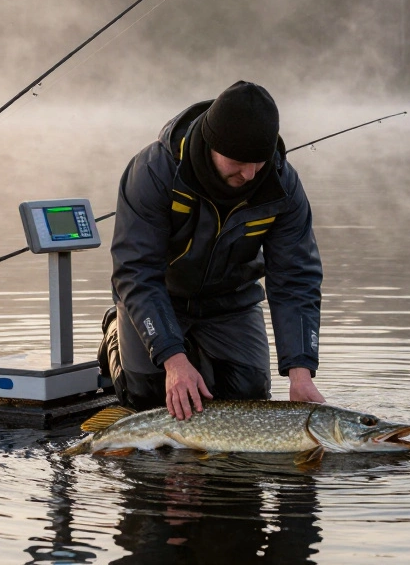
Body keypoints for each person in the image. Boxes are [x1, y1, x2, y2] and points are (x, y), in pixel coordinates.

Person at [103, 81, 324, 420]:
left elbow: (295, 277)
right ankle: (116, 332)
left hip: (230, 303)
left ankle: (197, 356)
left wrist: (300, 371)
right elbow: (136, 271)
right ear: (211, 145)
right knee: (148, 397)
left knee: (249, 396)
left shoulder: (282, 186)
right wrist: (174, 361)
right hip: (160, 297)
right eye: (238, 161)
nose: (249, 174)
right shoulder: (153, 172)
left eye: (259, 162)